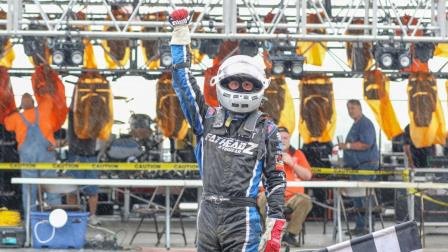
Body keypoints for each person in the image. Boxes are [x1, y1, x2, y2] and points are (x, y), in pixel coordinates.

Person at [169, 9, 286, 252]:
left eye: (246, 84)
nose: (240, 89)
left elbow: (276, 179)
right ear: (222, 83)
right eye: (234, 83)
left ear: (258, 87)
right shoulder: (206, 118)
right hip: (208, 212)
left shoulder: (267, 128)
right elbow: (183, 83)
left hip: (243, 216)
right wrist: (180, 35)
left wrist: (275, 227)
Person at [4, 93, 61, 215]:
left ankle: (30, 221)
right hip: (46, 152)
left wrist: (17, 109)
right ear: (34, 102)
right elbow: (56, 122)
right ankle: (56, 217)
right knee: (51, 186)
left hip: (27, 155)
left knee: (29, 188)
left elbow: (6, 124)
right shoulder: (44, 112)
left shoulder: (16, 117)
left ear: (22, 105)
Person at [257, 127, 313, 247]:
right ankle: (271, 232)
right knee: (262, 198)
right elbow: (255, 175)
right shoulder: (266, 153)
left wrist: (292, 163)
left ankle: (290, 235)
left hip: (293, 196)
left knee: (306, 200)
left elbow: (308, 176)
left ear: (289, 139)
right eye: (280, 137)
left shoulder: (297, 153)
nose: (282, 140)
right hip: (270, 193)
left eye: (285, 138)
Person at [338, 99, 379, 235]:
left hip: (365, 167)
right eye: (349, 108)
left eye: (353, 108)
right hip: (356, 167)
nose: (350, 111)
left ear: (360, 108)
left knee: (364, 196)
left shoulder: (365, 124)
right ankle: (360, 226)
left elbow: (366, 144)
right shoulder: (355, 124)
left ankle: (367, 226)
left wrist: (347, 146)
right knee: (357, 197)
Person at [65, 105, 101, 226]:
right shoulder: (73, 114)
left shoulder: (94, 115)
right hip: (76, 155)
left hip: (90, 156)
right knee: (72, 189)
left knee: (92, 189)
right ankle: (73, 215)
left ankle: (92, 215)